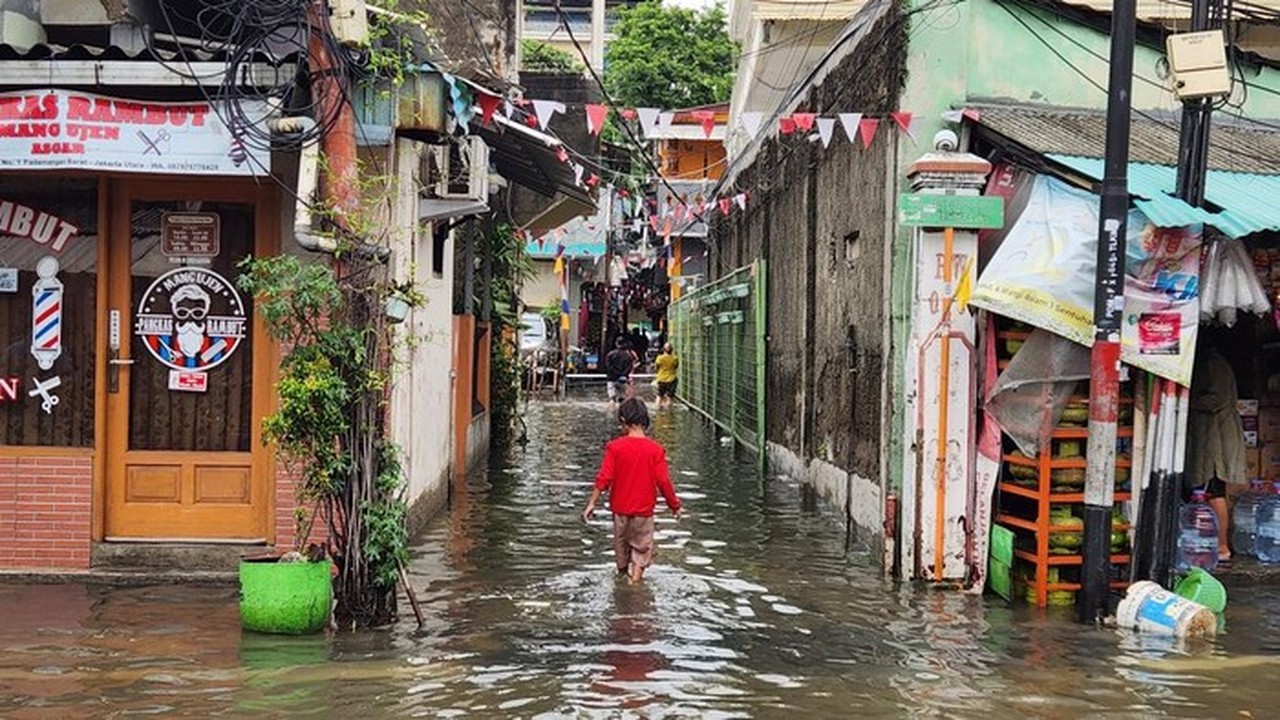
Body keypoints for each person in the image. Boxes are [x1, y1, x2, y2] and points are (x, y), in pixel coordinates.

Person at [583, 398, 682, 584]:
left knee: (621, 548)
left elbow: (604, 477)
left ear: (622, 420)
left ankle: (621, 578)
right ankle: (634, 585)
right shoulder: (656, 450)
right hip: (643, 512)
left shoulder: (614, 447)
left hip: (620, 510)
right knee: (641, 549)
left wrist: (592, 503)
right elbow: (663, 481)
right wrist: (674, 506)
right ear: (645, 420)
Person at [1184, 342, 1247, 565]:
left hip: (1216, 437)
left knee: (1213, 491)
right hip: (1207, 435)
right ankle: (1212, 545)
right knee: (1207, 490)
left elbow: (1216, 399)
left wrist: (1186, 400)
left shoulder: (1214, 364)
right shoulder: (1207, 363)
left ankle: (1222, 546)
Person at [603, 336, 636, 403]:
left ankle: (611, 411)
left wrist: (615, 373)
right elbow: (629, 367)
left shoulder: (610, 354)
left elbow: (608, 366)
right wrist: (623, 374)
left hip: (612, 378)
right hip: (622, 379)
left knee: (612, 399)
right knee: (622, 399)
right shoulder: (627, 356)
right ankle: (621, 412)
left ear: (616, 343)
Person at [654, 343, 679, 408]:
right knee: (669, 397)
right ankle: (668, 411)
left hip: (661, 379)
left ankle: (657, 409)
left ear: (663, 349)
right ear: (672, 350)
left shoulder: (660, 358)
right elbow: (676, 366)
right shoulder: (675, 358)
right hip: (671, 379)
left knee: (659, 395)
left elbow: (656, 367)